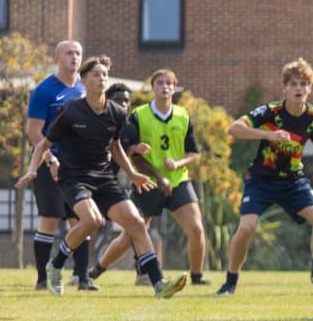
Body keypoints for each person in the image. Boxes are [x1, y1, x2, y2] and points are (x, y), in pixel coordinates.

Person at [16, 55, 187, 298]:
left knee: (137, 223)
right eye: (96, 75)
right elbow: (44, 144)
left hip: (104, 178)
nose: (101, 78)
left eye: (104, 75)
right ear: (84, 80)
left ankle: (159, 285)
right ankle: (56, 264)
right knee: (93, 221)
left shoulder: (117, 112)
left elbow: (115, 147)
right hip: (73, 177)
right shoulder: (72, 111)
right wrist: (33, 169)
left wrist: (133, 173)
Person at [216, 58, 313, 296]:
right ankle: (230, 283)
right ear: (285, 88)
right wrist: (268, 135)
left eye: (303, 84)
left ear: (310, 89)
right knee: (246, 228)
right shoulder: (271, 112)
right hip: (261, 181)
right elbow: (234, 128)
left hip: (293, 182)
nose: (299, 89)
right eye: (294, 84)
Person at [89, 69, 209, 286]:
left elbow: (194, 153)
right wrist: (154, 172)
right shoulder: (138, 115)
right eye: (160, 83)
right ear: (152, 88)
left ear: (174, 88)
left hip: (178, 181)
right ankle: (96, 271)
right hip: (147, 183)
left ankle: (197, 277)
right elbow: (128, 153)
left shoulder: (182, 115)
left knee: (196, 229)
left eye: (169, 83)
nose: (164, 87)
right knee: (130, 235)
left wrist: (177, 164)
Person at [21, 40, 93, 291]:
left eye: (78, 53)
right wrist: (51, 160)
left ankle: (82, 278)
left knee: (81, 219)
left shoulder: (85, 89)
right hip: (47, 163)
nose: (75, 57)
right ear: (57, 58)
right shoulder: (44, 91)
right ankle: (43, 279)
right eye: (69, 53)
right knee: (50, 220)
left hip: (77, 167)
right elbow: (34, 132)